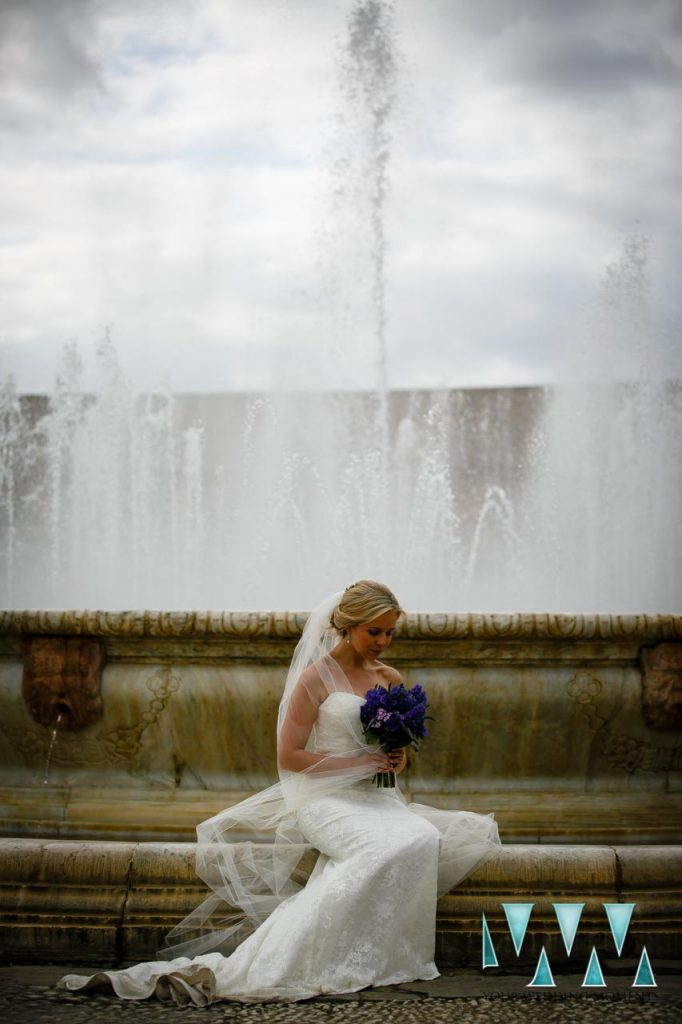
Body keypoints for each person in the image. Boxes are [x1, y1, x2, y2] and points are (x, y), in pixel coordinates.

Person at [58, 581, 500, 1005]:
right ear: (346, 625)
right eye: (374, 631)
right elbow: (289, 756)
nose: (383, 642)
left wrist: (398, 758)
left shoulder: (390, 676)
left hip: (377, 796)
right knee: (381, 849)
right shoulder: (315, 678)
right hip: (326, 799)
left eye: (390, 632)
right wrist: (355, 765)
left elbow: (393, 749)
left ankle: (381, 953)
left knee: (422, 838)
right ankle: (285, 956)